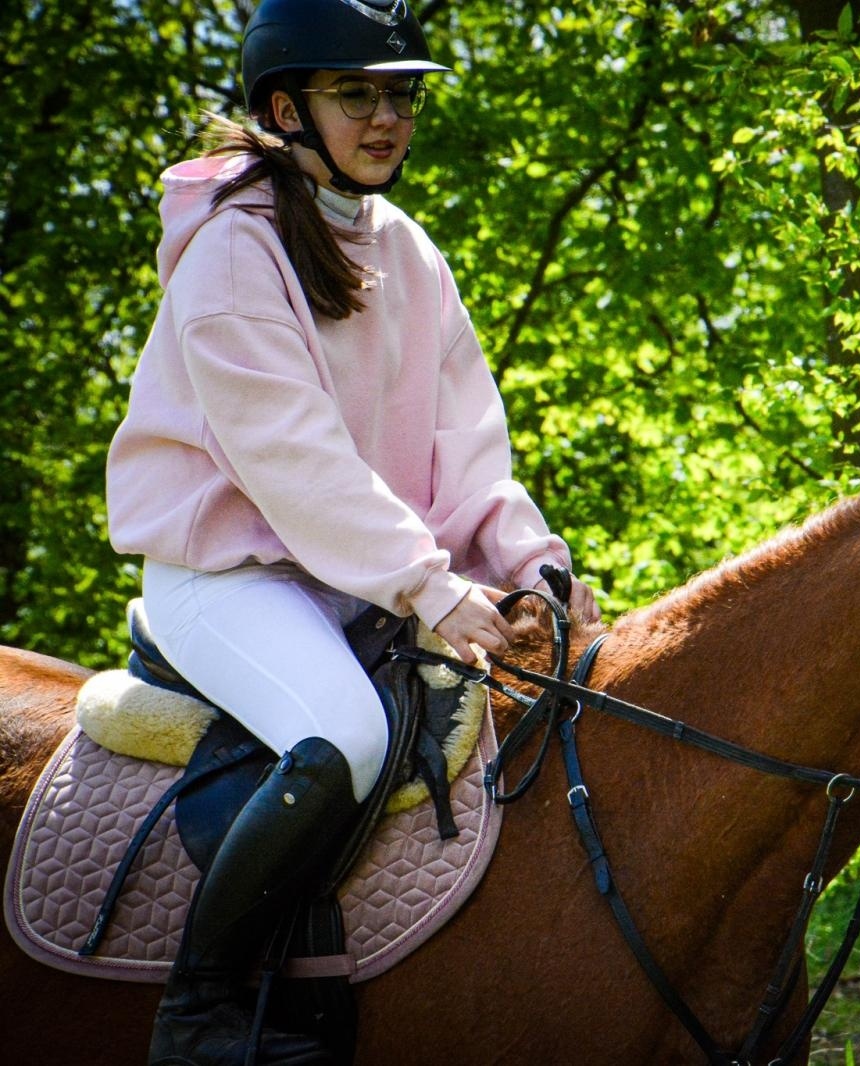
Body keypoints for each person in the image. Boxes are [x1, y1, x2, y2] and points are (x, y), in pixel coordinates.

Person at [105, 1, 598, 1062]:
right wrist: (429, 584)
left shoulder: (407, 248)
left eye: (402, 95)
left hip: (355, 580)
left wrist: (532, 566)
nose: (388, 118)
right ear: (286, 108)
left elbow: (466, 442)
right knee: (350, 738)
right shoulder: (231, 251)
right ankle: (200, 1013)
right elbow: (294, 460)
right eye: (358, 94)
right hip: (225, 574)